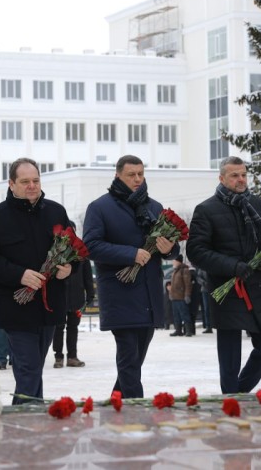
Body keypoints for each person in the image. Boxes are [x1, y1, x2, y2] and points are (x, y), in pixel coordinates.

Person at [0, 158, 73, 405]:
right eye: (25, 181)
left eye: (36, 180)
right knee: (29, 368)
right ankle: (27, 422)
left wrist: (69, 268)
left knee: (33, 369)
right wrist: (19, 274)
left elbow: (72, 249)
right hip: (16, 307)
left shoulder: (56, 211)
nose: (32, 186)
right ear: (11, 184)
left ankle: (28, 421)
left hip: (50, 306)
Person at [83, 155, 178, 398]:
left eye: (140, 174)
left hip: (149, 295)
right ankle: (136, 411)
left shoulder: (154, 207)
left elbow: (171, 248)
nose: (137, 179)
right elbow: (90, 247)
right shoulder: (99, 207)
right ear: (118, 175)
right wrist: (131, 254)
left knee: (134, 361)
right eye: (131, 175)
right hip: (120, 293)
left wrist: (170, 249)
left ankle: (118, 401)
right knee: (129, 358)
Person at [186, 156, 261, 395]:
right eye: (235, 175)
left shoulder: (257, 205)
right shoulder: (206, 209)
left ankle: (238, 391)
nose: (241, 180)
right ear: (222, 178)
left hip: (256, 286)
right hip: (226, 288)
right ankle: (230, 397)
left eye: (244, 175)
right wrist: (232, 266)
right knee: (230, 355)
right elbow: (196, 251)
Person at [53, 221, 95, 368]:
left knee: (73, 328)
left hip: (76, 297)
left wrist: (90, 294)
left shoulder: (81, 251)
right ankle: (58, 357)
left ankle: (72, 356)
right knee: (58, 327)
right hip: (59, 297)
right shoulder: (56, 251)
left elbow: (87, 276)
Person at [168, 255, 193, 337]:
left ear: (178, 261)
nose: (173, 262)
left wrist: (187, 295)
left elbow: (188, 284)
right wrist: (170, 294)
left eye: (174, 260)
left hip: (181, 297)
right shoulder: (175, 271)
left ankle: (188, 330)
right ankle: (178, 330)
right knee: (176, 315)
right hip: (174, 297)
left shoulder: (184, 270)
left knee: (185, 314)